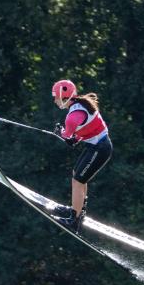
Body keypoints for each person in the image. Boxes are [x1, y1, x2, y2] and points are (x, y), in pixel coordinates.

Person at [50, 79, 113, 233]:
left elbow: (69, 137)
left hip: (100, 148)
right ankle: (77, 211)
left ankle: (74, 221)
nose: (54, 100)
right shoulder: (79, 106)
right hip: (96, 146)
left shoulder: (72, 117)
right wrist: (66, 136)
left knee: (79, 180)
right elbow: (75, 138)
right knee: (76, 176)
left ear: (63, 96)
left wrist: (60, 133)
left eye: (55, 97)